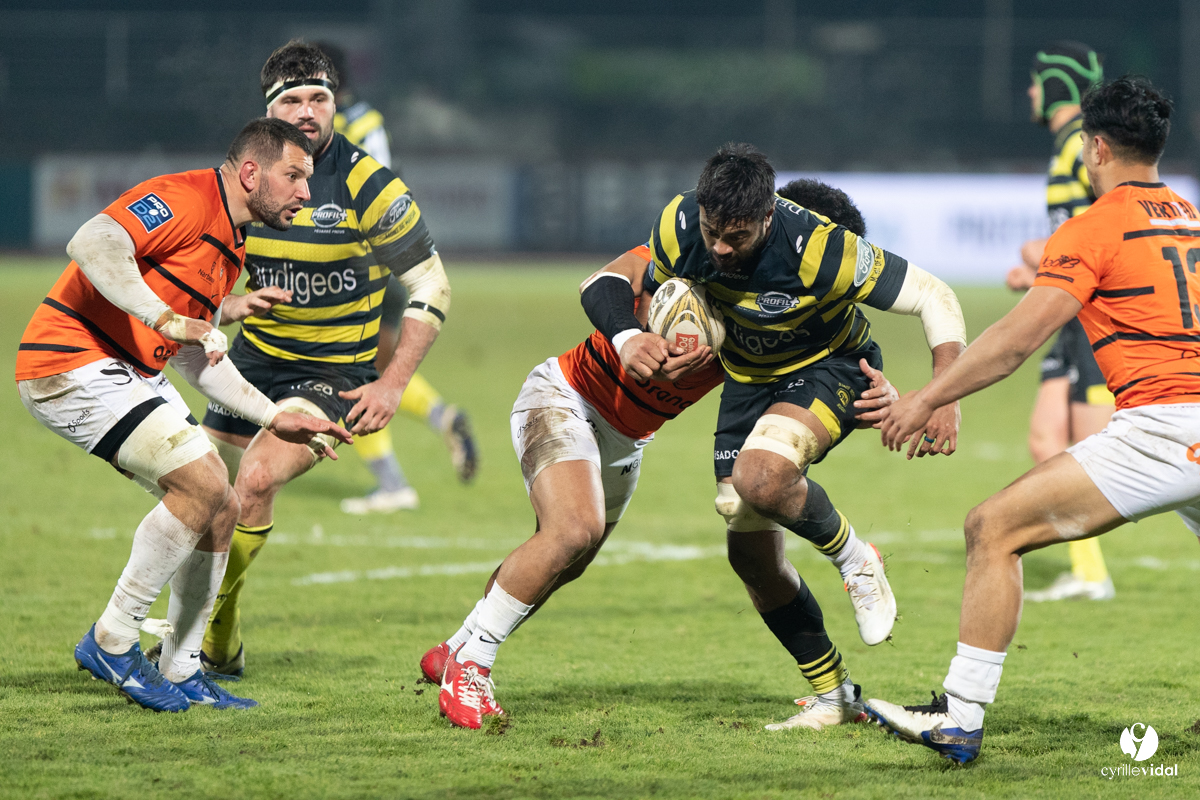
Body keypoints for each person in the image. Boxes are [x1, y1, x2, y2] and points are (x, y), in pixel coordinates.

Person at [428, 164, 962, 731]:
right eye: (716, 235)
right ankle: (471, 666)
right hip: (566, 399)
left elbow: (819, 377)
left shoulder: (793, 307)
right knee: (571, 533)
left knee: (624, 554)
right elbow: (602, 282)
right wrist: (630, 335)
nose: (723, 249)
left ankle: (456, 647)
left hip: (630, 437)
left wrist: (900, 397)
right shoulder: (688, 256)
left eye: (736, 238)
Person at [867, 76, 1189, 765]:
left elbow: (1015, 342)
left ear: (1095, 148)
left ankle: (959, 716)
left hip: (1163, 428)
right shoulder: (1192, 218)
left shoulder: (1093, 225)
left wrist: (925, 399)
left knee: (993, 528)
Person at [16, 118, 352, 712]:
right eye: (294, 176)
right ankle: (113, 639)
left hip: (127, 368)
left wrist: (273, 417)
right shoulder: (183, 198)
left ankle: (181, 665)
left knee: (223, 504)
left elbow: (197, 356)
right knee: (200, 483)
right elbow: (92, 243)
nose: (306, 191)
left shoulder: (231, 241)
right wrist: (166, 319)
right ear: (251, 173)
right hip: (68, 361)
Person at [198, 40, 451, 678]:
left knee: (253, 484)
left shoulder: (368, 184)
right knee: (202, 499)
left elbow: (432, 286)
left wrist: (392, 385)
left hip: (331, 372)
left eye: (320, 98)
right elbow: (199, 268)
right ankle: (186, 640)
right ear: (269, 109)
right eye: (292, 99)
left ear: (337, 103)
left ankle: (215, 641)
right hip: (250, 362)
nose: (307, 111)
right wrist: (226, 305)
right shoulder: (246, 177)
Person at [315, 41, 478, 514]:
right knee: (380, 370)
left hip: (350, 263)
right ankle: (441, 415)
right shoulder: (370, 119)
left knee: (347, 375)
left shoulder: (331, 128)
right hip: (387, 257)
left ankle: (391, 484)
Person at [1006, 41, 1115, 602]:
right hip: (1068, 315)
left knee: (1092, 450)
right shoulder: (1066, 148)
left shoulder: (1081, 147)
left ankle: (1092, 572)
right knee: (1045, 438)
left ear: (1055, 84)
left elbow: (1104, 228)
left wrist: (1040, 255)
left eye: (1035, 81)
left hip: (1094, 319)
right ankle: (1089, 571)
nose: (1029, 91)